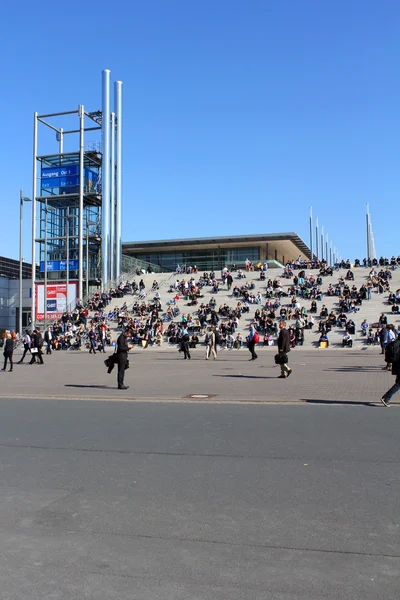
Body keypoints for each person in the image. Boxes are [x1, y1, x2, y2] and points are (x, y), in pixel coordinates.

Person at [381, 336, 400, 406]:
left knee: (398, 383)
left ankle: (386, 398)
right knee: (398, 384)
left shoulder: (395, 344)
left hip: (396, 366)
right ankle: (386, 398)